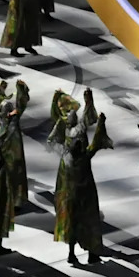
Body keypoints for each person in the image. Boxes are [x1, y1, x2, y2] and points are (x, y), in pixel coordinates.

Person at [48, 100, 111, 265]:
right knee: (89, 222)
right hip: (85, 196)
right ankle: (92, 253)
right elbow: (96, 142)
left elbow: (53, 142)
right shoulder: (85, 156)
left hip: (69, 197)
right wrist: (101, 122)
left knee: (72, 224)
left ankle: (71, 253)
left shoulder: (65, 158)